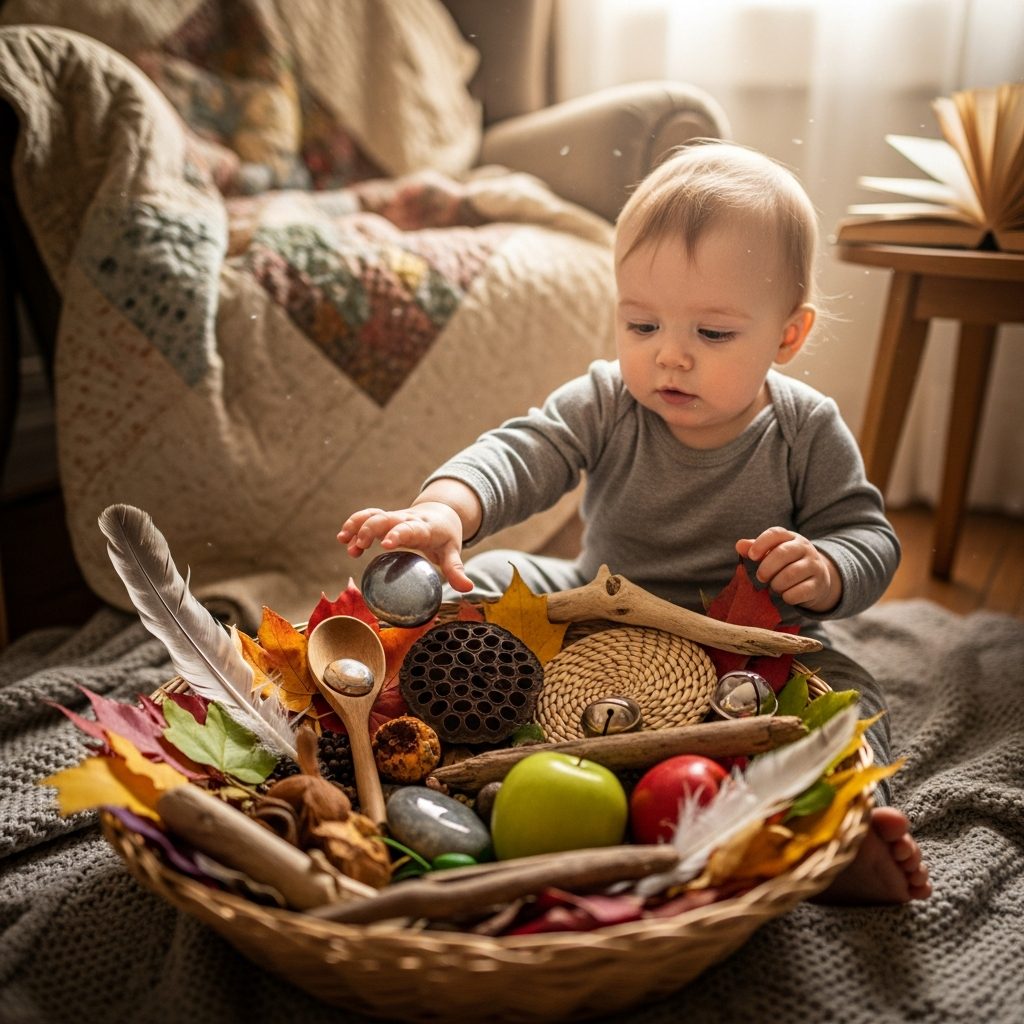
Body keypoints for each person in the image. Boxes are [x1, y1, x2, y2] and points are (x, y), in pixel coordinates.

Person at [339, 140, 930, 904]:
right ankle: (389, 735)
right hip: (598, 607)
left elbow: (871, 535)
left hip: (749, 647)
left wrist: (827, 567)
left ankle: (847, 824)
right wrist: (445, 509)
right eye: (642, 325)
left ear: (788, 335)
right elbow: (524, 451)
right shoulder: (609, 399)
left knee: (848, 690)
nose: (669, 358)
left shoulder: (805, 428)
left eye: (711, 334)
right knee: (479, 585)